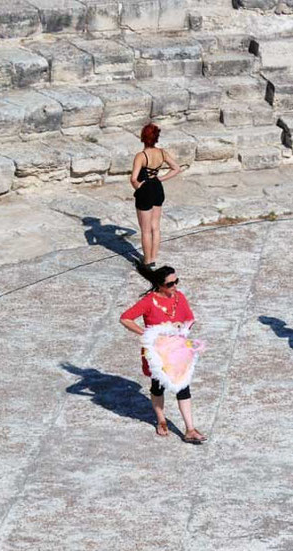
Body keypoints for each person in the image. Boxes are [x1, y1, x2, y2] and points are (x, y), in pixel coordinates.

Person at [120, 266, 207, 444]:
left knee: (183, 385)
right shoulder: (149, 301)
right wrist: (146, 333)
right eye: (170, 284)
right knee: (157, 385)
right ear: (159, 285)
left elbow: (189, 319)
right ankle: (161, 420)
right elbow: (125, 318)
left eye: (176, 281)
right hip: (157, 352)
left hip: (176, 349)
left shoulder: (179, 297)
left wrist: (181, 328)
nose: (175, 286)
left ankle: (190, 428)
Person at [130, 123, 183, 269]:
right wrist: (160, 179)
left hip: (146, 189)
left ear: (143, 137)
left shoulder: (141, 156)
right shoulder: (162, 153)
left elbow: (134, 179)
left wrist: (139, 188)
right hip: (157, 188)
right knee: (156, 227)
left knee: (146, 229)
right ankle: (153, 258)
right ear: (156, 138)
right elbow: (176, 168)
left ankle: (146, 262)